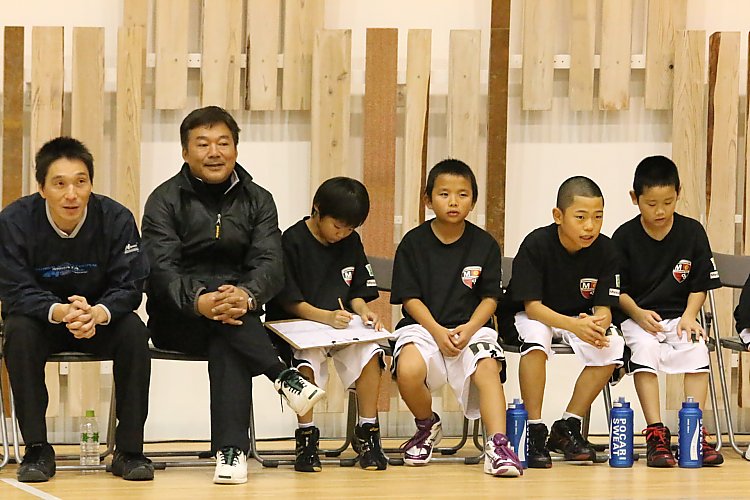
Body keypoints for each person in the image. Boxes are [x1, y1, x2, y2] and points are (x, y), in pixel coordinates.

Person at [141, 106, 325, 485]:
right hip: (178, 318)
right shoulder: (164, 200)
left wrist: (246, 294)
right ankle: (281, 377)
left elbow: (270, 263)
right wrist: (200, 301)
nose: (214, 152)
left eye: (223, 143)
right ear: (185, 152)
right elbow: (160, 268)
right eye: (203, 144)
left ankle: (231, 454)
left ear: (236, 149)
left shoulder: (259, 200)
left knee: (227, 338)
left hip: (237, 315)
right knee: (230, 329)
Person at [0, 137, 154, 482]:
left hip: (97, 320)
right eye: (60, 183)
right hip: (42, 321)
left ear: (91, 185)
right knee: (18, 331)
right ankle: (37, 449)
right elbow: (12, 288)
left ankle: (129, 450)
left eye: (80, 182)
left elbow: (131, 284)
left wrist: (98, 312)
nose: (71, 194)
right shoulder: (14, 221)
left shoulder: (115, 218)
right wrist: (59, 310)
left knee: (134, 331)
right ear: (42, 188)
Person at [390, 159, 522, 477]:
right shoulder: (413, 243)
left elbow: (490, 298)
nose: (453, 202)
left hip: (472, 328)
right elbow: (410, 298)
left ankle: (499, 446)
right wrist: (437, 331)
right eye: (444, 194)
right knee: (407, 369)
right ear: (428, 199)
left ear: (473, 201)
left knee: (488, 367)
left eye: (462, 195)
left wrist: (470, 328)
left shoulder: (485, 244)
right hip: (424, 328)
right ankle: (427, 425)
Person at [497, 175, 624, 469]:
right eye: (581, 217)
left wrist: (599, 323)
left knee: (612, 344)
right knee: (536, 340)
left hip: (577, 318)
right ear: (558, 216)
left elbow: (604, 307)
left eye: (598, 217)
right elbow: (533, 308)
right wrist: (573, 325)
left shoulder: (607, 250)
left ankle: (568, 426)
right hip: (530, 316)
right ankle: (534, 429)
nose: (590, 226)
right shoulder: (536, 244)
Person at [266, 177, 388, 472]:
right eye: (337, 226)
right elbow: (288, 301)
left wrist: (365, 312)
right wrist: (326, 317)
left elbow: (356, 292)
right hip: (299, 327)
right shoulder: (291, 241)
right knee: (305, 360)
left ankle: (368, 432)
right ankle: (306, 437)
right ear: (317, 210)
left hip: (339, 328)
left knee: (371, 352)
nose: (342, 234)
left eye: (350, 229)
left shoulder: (351, 242)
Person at [613, 155, 723, 467]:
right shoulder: (623, 237)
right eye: (651, 204)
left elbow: (699, 284)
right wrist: (637, 313)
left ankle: (693, 432)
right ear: (634, 198)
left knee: (696, 347)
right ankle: (656, 434)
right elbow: (616, 291)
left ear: (678, 193)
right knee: (645, 350)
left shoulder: (692, 232)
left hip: (679, 315)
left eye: (668, 202)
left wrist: (689, 316)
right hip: (639, 316)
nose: (660, 211)